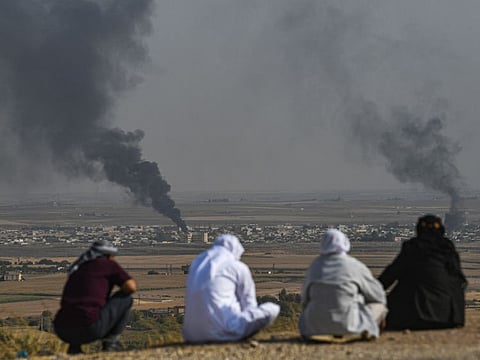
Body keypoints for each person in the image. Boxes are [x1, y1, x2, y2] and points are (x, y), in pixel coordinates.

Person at [182, 234, 280, 343]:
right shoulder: (237, 267)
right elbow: (249, 304)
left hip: (191, 335)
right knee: (273, 309)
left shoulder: (197, 263)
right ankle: (242, 337)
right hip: (224, 331)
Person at [379, 214, 467, 330]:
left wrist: (371, 291)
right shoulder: (447, 248)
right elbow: (460, 279)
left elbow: (391, 275)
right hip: (449, 318)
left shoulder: (413, 247)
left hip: (415, 317)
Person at [299, 229, 387, 340]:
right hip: (349, 324)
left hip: (315, 327)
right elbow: (378, 295)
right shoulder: (354, 265)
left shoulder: (315, 266)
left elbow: (305, 299)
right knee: (379, 305)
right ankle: (366, 330)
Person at [53, 240, 136, 354]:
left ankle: (74, 348)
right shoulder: (107, 264)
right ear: (108, 255)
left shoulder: (78, 268)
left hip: (62, 329)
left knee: (79, 307)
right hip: (90, 328)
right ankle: (110, 343)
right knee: (126, 299)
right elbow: (131, 287)